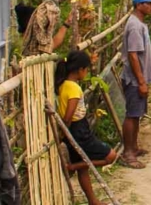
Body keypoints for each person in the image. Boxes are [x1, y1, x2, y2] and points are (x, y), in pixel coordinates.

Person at [56, 51, 117, 205]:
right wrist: (66, 131)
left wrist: (64, 134)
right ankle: (71, 166)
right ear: (80, 69)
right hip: (79, 130)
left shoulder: (63, 85)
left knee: (84, 170)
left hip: (73, 130)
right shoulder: (74, 89)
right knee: (110, 156)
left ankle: (93, 201)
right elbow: (69, 116)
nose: (87, 72)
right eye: (87, 69)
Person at [120, 0, 151, 169]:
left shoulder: (139, 24)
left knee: (137, 115)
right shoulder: (135, 26)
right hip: (135, 79)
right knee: (132, 114)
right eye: (148, 3)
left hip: (138, 78)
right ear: (139, 5)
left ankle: (133, 147)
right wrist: (141, 81)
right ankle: (128, 154)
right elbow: (133, 55)